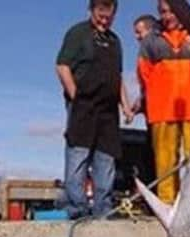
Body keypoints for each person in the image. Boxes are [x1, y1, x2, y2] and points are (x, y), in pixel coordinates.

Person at [56, 0, 135, 219]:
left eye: (109, 15)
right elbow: (62, 66)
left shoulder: (114, 41)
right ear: (91, 10)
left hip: (108, 111)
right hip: (83, 106)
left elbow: (117, 78)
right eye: (100, 14)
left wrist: (126, 106)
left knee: (106, 160)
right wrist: (75, 95)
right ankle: (77, 208)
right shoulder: (78, 33)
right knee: (78, 157)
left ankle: (104, 209)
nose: (104, 19)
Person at [136, 0, 190, 203]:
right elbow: (144, 73)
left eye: (172, 11)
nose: (168, 16)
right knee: (165, 162)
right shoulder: (150, 41)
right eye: (163, 12)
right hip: (162, 109)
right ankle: (167, 203)